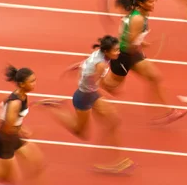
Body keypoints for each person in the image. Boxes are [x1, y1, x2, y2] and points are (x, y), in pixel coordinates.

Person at [36, 36, 136, 174]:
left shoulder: (99, 54)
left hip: (90, 94)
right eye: (115, 50)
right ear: (106, 51)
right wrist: (111, 94)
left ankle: (115, 161)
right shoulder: (100, 65)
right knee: (81, 132)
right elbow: (97, 85)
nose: (118, 52)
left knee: (113, 122)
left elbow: (87, 63)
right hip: (84, 97)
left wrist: (77, 66)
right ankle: (55, 108)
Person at [101, 0, 187, 125]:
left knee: (155, 77)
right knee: (110, 86)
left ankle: (168, 112)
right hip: (123, 57)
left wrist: (141, 42)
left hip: (132, 55)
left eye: (154, 1)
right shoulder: (138, 19)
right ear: (141, 3)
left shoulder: (142, 13)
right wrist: (139, 46)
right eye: (150, 2)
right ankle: (94, 73)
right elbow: (129, 43)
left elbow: (131, 36)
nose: (153, 4)